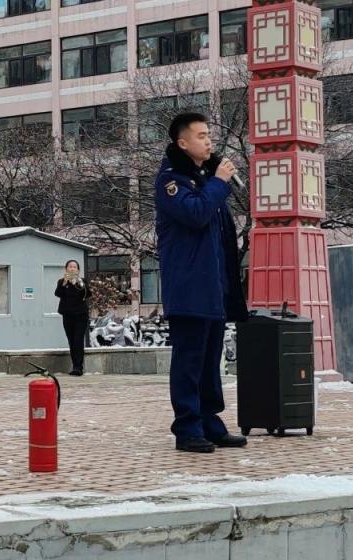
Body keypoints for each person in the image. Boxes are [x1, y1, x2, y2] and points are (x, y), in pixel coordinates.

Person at [154, 112, 248, 453]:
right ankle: (187, 427)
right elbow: (195, 214)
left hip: (214, 287)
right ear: (182, 143)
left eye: (209, 135)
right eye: (201, 136)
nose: (209, 141)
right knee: (190, 362)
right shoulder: (171, 181)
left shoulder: (206, 178)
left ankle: (210, 422)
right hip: (189, 287)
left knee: (210, 362)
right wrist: (220, 183)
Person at [55, 260, 91, 376]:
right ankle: (75, 365)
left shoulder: (82, 281)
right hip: (67, 314)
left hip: (81, 315)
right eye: (70, 266)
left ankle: (78, 367)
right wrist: (65, 283)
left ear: (78, 270)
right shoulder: (62, 282)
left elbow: (88, 294)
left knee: (78, 339)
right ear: (66, 269)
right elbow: (58, 293)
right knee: (71, 340)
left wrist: (80, 284)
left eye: (74, 267)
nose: (72, 268)